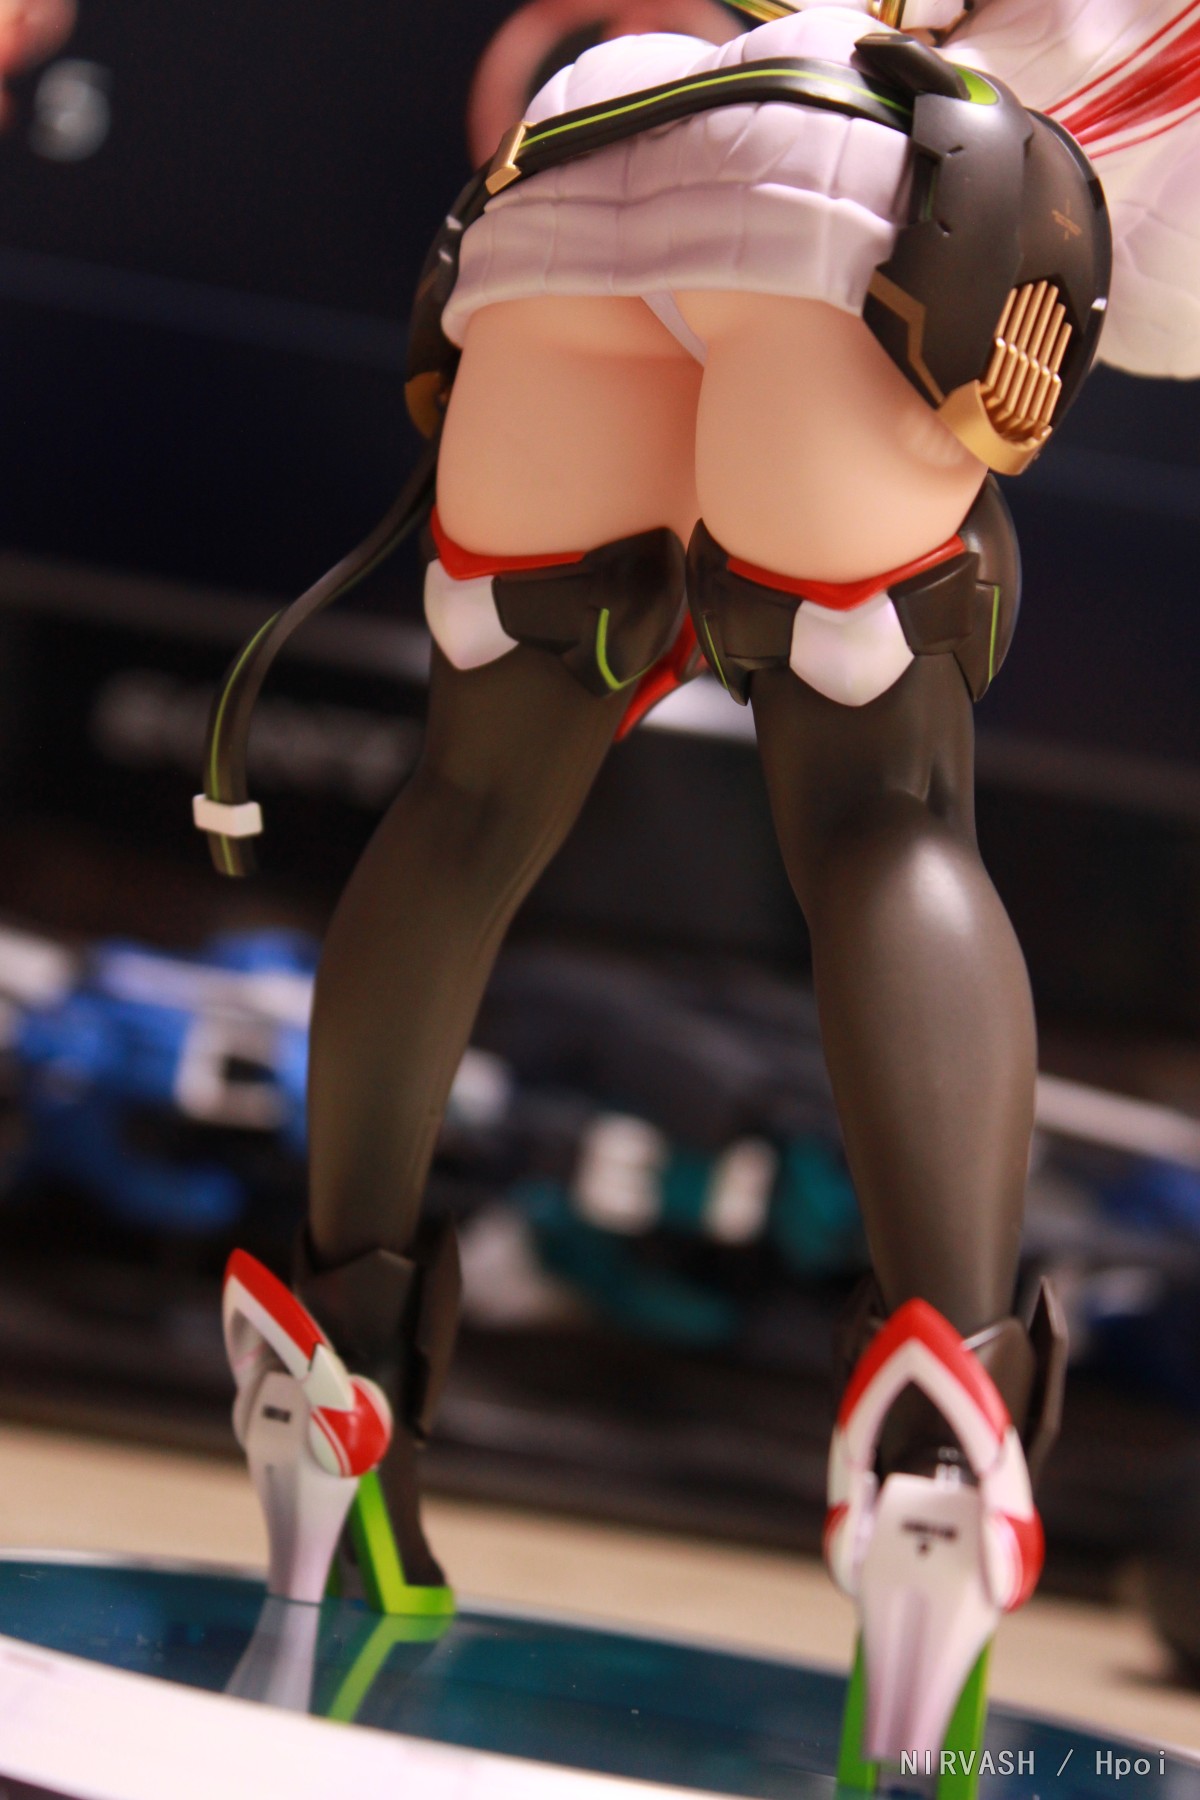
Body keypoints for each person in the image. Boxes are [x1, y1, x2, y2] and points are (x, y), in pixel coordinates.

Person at [213, 0, 1200, 1772]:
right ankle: (938, 1450)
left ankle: (330, 1387)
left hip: (594, 144)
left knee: (465, 797)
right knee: (885, 806)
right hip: (866, 177)